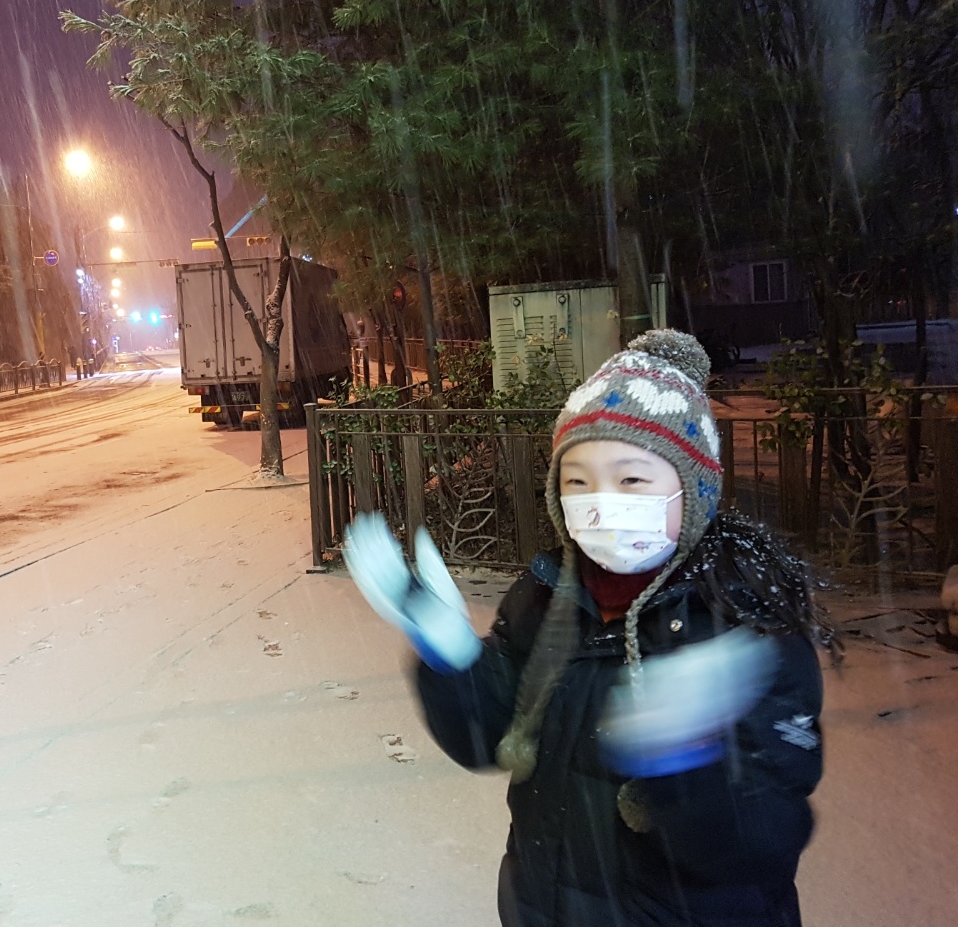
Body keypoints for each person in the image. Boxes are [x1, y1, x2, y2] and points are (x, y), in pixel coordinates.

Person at [344, 329, 839, 927]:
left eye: (632, 480)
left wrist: (687, 763)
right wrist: (453, 661)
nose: (601, 503)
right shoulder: (547, 596)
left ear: (694, 490)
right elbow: (488, 739)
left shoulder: (746, 622)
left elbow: (763, 845)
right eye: (577, 481)